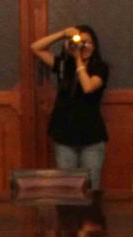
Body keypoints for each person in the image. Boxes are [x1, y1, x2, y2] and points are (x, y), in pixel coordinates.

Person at [32, 24, 110, 189]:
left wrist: (78, 60)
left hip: (91, 137)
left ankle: (90, 208)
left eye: (87, 43)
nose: (83, 46)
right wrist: (62, 34)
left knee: (90, 187)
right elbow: (36, 48)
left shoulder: (100, 67)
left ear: (94, 46)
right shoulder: (64, 64)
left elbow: (88, 87)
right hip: (65, 134)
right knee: (67, 187)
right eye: (80, 42)